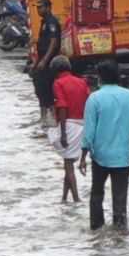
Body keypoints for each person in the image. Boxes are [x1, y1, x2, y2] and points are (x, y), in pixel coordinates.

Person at [81, 58, 129, 231]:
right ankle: (120, 234)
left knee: (97, 194)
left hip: (100, 156)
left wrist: (83, 155)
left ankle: (96, 231)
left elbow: (89, 131)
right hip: (122, 156)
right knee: (120, 198)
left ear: (100, 77)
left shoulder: (94, 98)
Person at [48, 56, 89, 204]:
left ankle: (76, 198)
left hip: (69, 124)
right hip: (82, 124)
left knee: (68, 165)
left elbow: (62, 107)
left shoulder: (58, 83)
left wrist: (63, 133)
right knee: (68, 162)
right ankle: (64, 198)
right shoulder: (82, 82)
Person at [32, 0, 62, 127]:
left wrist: (44, 60)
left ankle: (53, 117)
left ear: (48, 7)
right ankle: (43, 117)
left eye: (41, 7)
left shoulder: (51, 22)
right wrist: (36, 62)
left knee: (47, 88)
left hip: (49, 61)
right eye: (37, 8)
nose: (38, 10)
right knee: (39, 87)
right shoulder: (44, 22)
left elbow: (53, 42)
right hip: (42, 59)